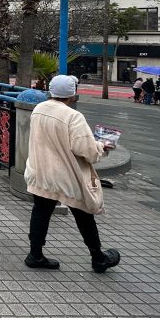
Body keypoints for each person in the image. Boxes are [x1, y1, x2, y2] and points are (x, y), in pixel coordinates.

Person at [24, 75, 120, 273]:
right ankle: (98, 257)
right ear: (72, 95)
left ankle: (35, 254)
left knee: (41, 211)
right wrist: (101, 146)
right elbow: (85, 150)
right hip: (66, 174)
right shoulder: (73, 116)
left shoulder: (39, 109)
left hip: (40, 169)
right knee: (84, 214)